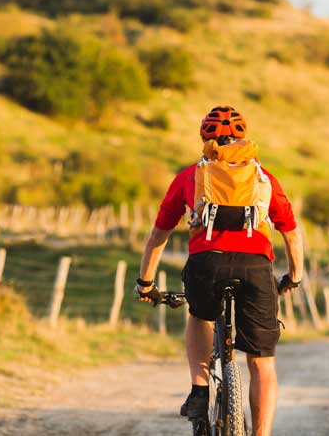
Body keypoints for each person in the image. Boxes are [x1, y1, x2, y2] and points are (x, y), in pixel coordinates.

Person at [135, 105, 304, 436]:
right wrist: (294, 276)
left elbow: (159, 235)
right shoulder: (263, 178)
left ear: (204, 139)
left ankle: (199, 391)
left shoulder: (191, 176)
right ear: (243, 139)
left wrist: (146, 283)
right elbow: (291, 232)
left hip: (206, 264)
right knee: (262, 363)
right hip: (256, 268)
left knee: (200, 316)